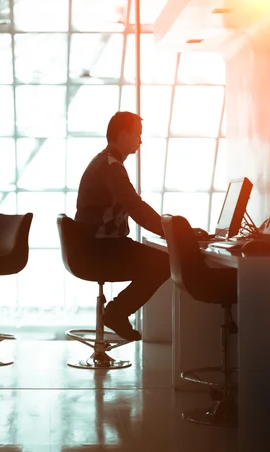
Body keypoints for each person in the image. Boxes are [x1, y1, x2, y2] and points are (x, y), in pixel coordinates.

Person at [74, 111, 170, 342]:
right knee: (164, 264)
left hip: (94, 245)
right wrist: (174, 232)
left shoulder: (105, 161)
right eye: (137, 135)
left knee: (158, 261)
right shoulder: (111, 167)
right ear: (123, 135)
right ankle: (116, 313)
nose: (140, 140)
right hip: (100, 249)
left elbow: (134, 206)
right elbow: (136, 207)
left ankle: (116, 312)